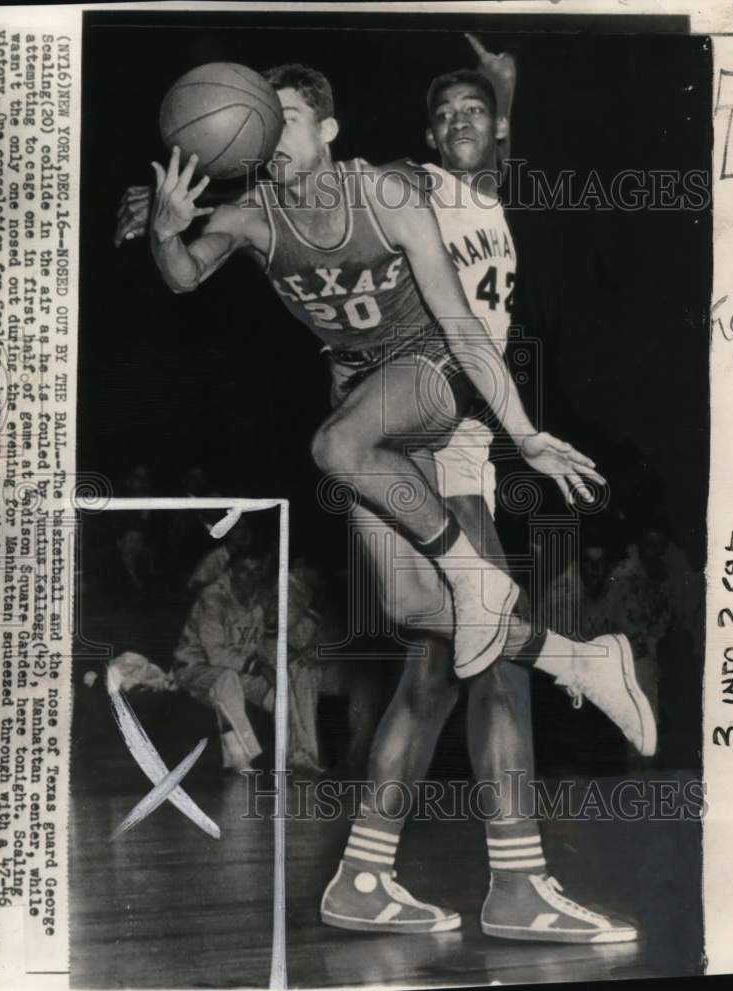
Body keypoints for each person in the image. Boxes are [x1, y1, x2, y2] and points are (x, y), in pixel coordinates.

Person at [116, 61, 605, 685]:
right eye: (261, 127)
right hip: (356, 387)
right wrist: (163, 233)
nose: (269, 140)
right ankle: (582, 661)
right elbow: (183, 274)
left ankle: (477, 580)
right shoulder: (250, 218)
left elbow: (460, 324)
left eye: (284, 121)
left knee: (334, 443)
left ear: (328, 129)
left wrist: (524, 433)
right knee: (409, 603)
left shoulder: (385, 193)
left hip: (431, 370)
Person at [319, 37, 645, 944]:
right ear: (429, 137)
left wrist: (505, 88)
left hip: (458, 430)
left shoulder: (492, 191)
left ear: (496, 133)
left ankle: (361, 875)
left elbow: (495, 156)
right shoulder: (413, 183)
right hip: (419, 417)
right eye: (445, 116)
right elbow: (328, 191)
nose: (458, 125)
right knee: (491, 647)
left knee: (439, 667)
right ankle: (518, 886)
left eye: (473, 115)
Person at [173, 548, 323, 774]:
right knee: (227, 678)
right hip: (194, 669)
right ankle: (239, 758)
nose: (250, 577)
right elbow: (216, 655)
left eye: (256, 571)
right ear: (231, 571)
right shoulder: (212, 598)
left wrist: (289, 655)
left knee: (285, 691)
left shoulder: (258, 598)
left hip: (239, 669)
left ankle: (299, 755)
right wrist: (261, 667)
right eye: (244, 571)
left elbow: (262, 641)